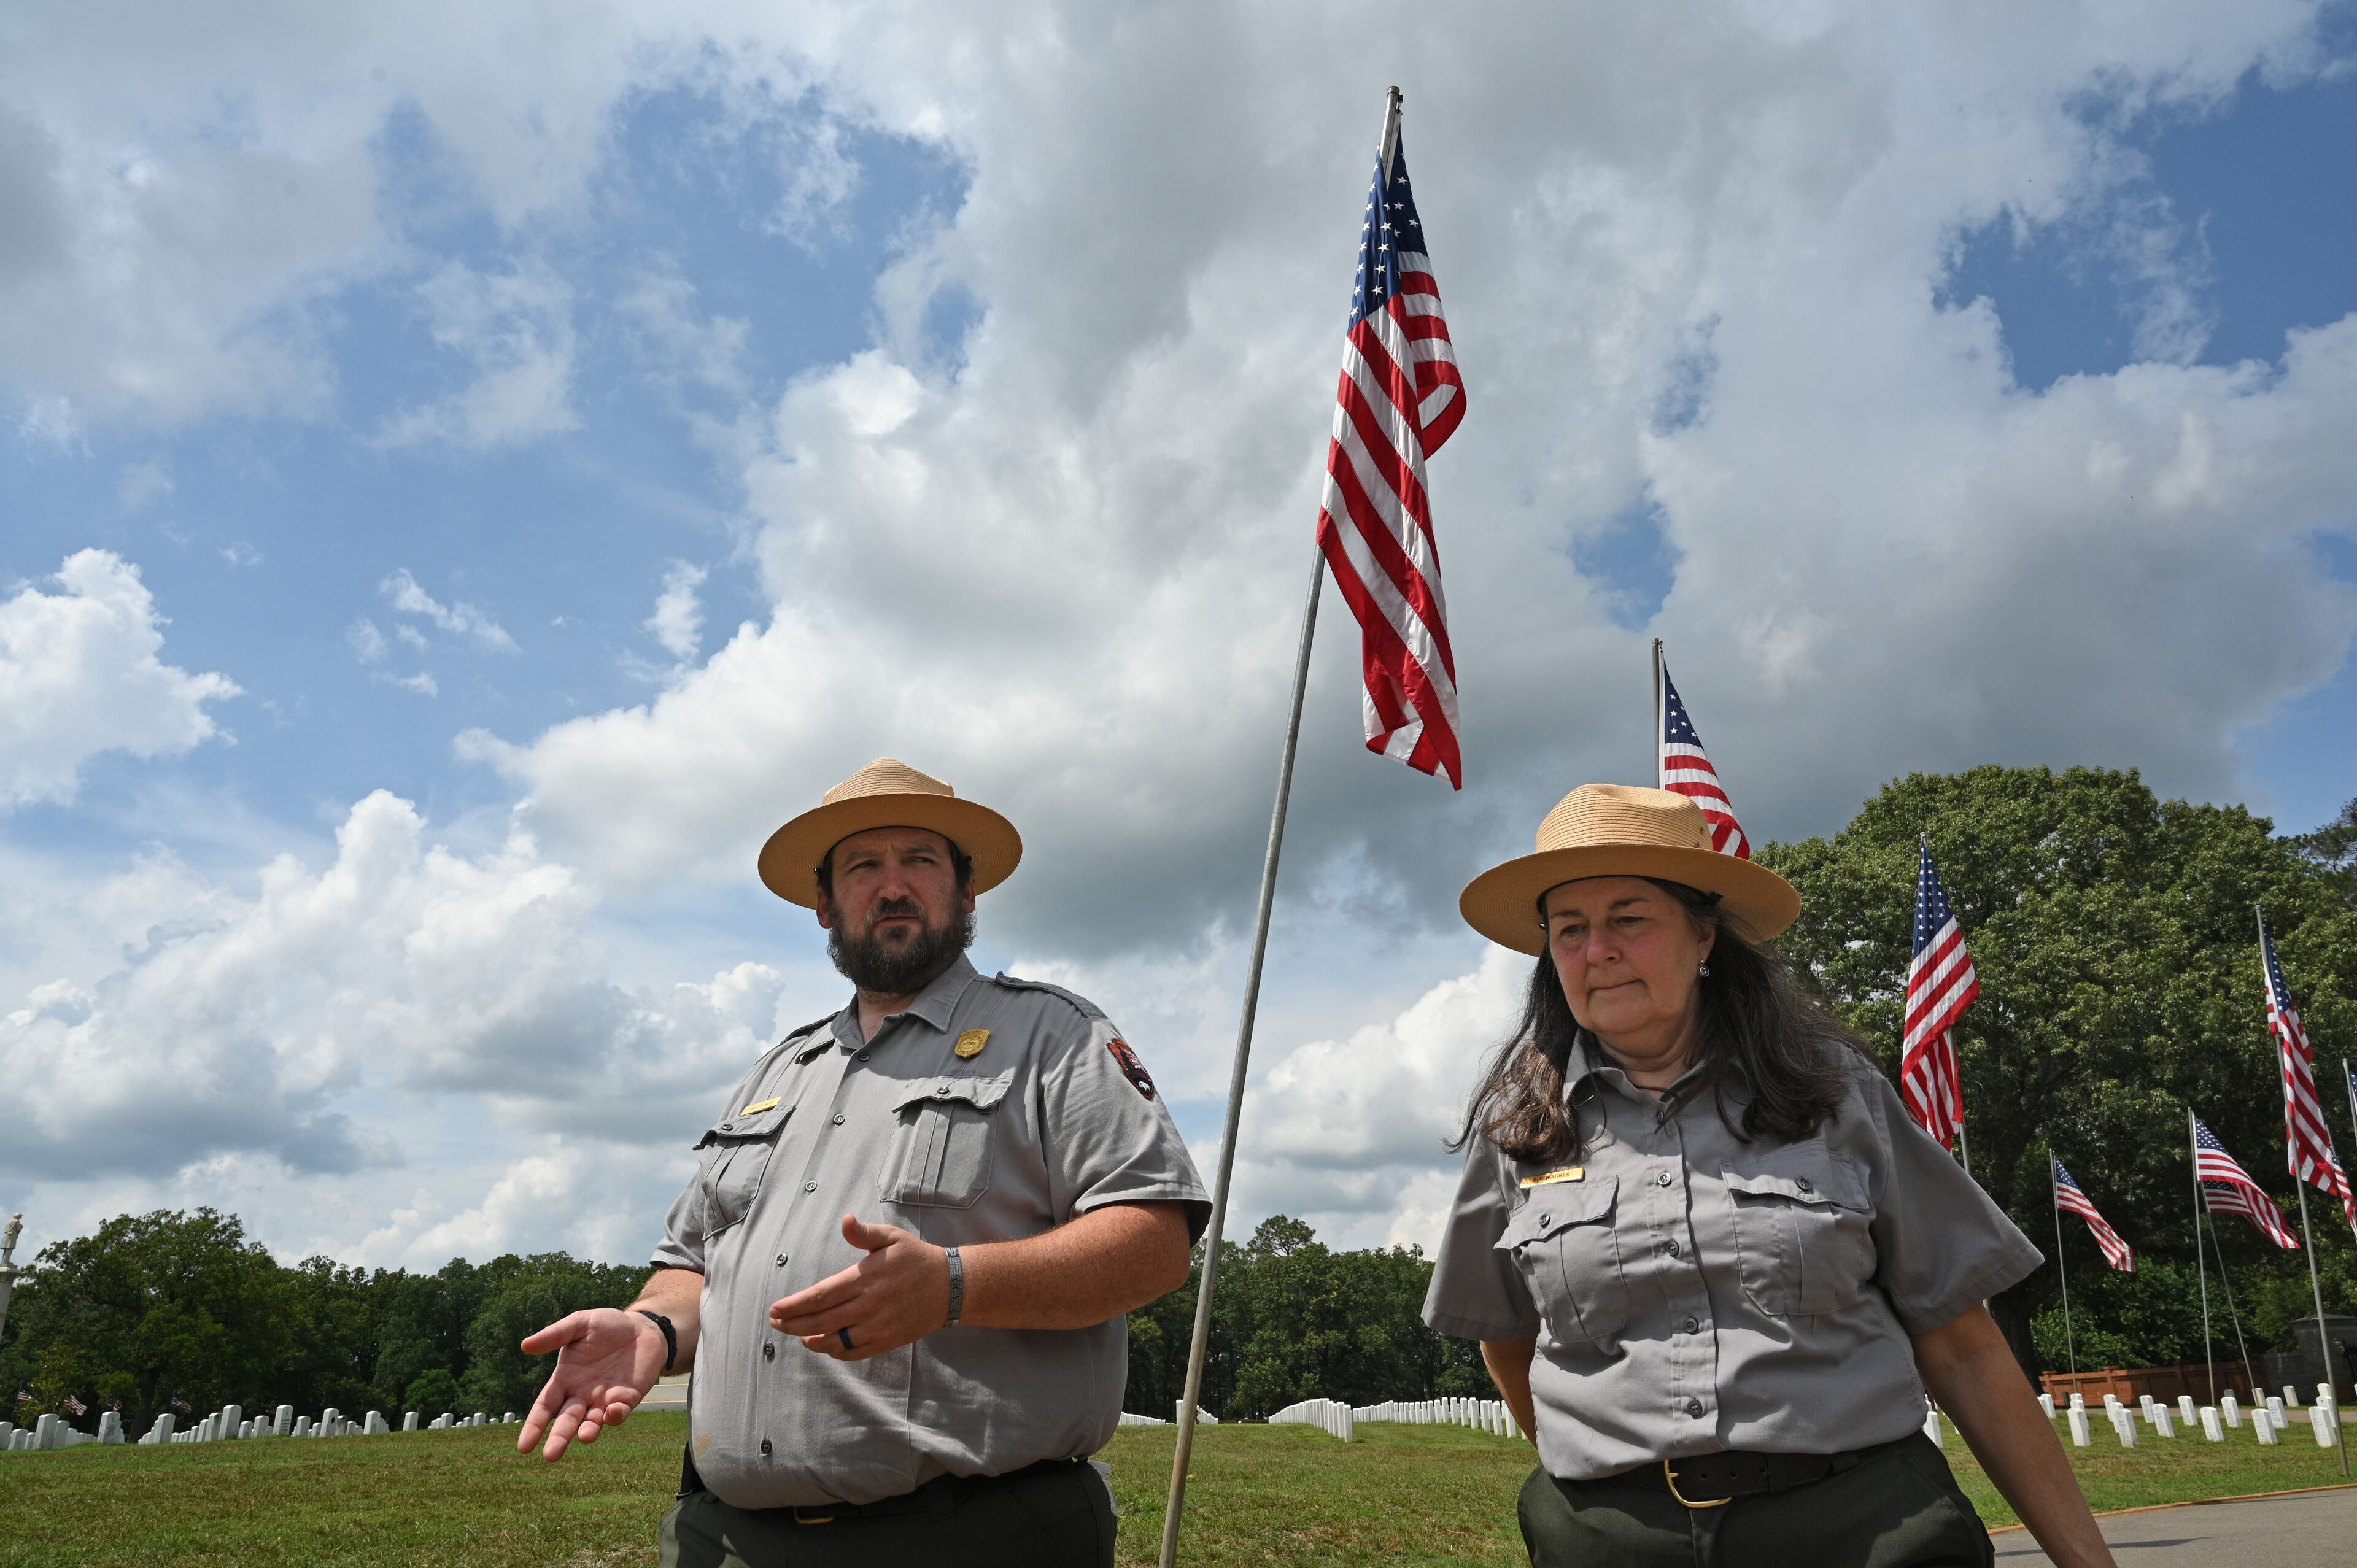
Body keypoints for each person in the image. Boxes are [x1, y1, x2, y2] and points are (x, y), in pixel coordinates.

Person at [516, 758, 1210, 1568]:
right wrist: (652, 1325)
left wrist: (954, 1284)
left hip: (969, 1536)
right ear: (823, 903)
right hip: (725, 1537)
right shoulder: (775, 1071)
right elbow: (694, 1267)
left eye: (920, 859)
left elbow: (1156, 1241)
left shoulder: (1055, 1035)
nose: (893, 885)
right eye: (862, 865)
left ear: (966, 890)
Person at [1425, 783, 2116, 1568]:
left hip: (1864, 1529)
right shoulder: (1522, 1131)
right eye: (1570, 928)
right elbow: (1509, 1343)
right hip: (1614, 1541)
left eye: (1628, 917)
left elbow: (1964, 1347)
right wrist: (1608, 1474)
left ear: (1704, 935)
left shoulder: (1834, 1094)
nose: (1597, 950)